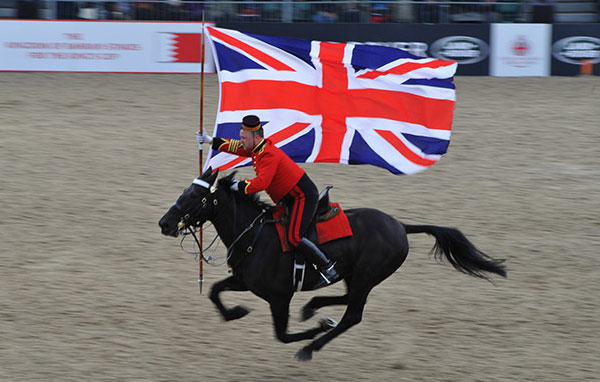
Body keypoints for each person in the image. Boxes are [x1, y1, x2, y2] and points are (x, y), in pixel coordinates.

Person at [197, 115, 340, 288]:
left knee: (294, 237)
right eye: (241, 137)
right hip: (287, 198)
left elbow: (261, 183)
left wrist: (237, 186)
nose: (241, 141)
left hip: (301, 197)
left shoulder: (268, 155)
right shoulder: (256, 148)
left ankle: (327, 267)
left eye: (244, 138)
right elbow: (235, 147)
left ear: (256, 137)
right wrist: (209, 140)